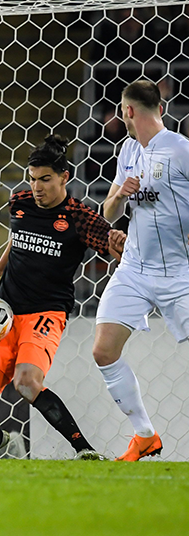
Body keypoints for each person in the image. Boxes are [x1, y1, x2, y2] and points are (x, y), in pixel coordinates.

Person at [0, 135, 123, 460]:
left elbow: (112, 247)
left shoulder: (80, 217)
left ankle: (84, 450)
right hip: (4, 313)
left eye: (45, 179)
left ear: (64, 177)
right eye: (33, 179)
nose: (37, 187)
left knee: (26, 382)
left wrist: (119, 243)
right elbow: (17, 238)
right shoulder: (19, 202)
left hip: (46, 313)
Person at [95, 79, 189, 461]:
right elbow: (108, 214)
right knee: (103, 350)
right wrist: (120, 194)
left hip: (178, 271)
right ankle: (145, 435)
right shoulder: (128, 149)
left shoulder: (181, 150)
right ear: (160, 108)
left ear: (128, 111)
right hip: (134, 267)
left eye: (122, 109)